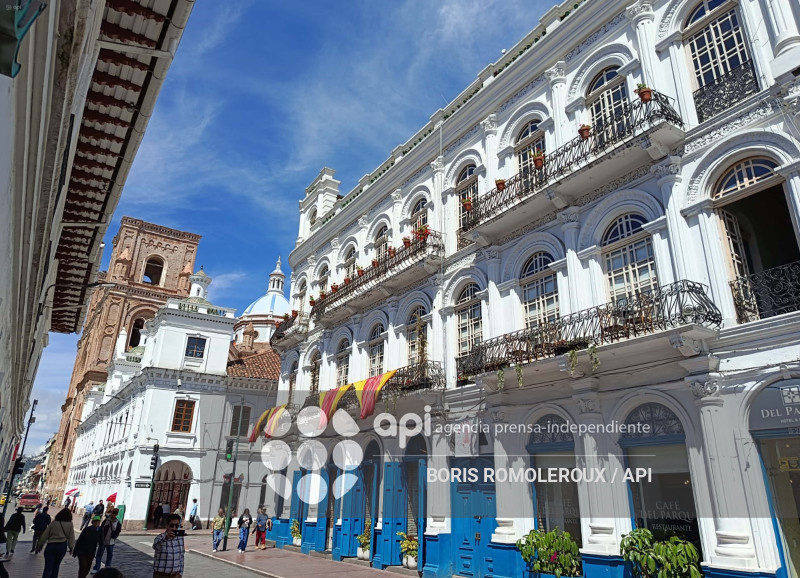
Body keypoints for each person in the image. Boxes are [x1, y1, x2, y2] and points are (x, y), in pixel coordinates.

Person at [35, 508, 75, 578]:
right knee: (56, 566)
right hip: (62, 546)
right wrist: (71, 547)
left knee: (48, 568)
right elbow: (71, 537)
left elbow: (45, 534)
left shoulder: (54, 523)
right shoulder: (70, 524)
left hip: (51, 546)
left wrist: (40, 545)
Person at [153, 513, 184, 578]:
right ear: (167, 526)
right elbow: (156, 547)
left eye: (177, 526)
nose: (174, 528)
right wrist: (166, 538)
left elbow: (181, 556)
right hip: (161, 575)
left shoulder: (180, 539)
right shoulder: (160, 538)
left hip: (175, 575)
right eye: (172, 525)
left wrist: (180, 573)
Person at [93, 508, 121, 572]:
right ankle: (96, 567)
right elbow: (101, 528)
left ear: (116, 514)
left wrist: (114, 536)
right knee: (99, 554)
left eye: (115, 514)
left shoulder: (117, 522)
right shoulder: (106, 520)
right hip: (103, 540)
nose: (113, 515)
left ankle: (108, 566)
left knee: (110, 554)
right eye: (113, 513)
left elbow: (118, 530)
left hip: (111, 541)